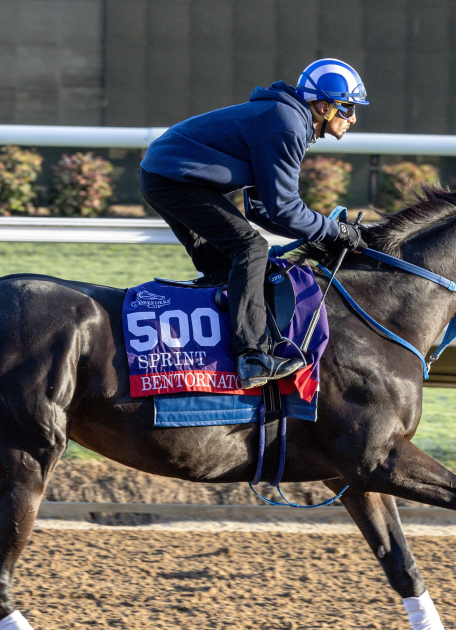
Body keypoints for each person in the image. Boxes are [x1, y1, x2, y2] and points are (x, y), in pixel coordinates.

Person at [139, 58, 370, 390]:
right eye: (347, 109)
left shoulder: (287, 118)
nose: (353, 118)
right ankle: (252, 357)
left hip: (166, 175)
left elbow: (263, 211)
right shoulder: (287, 125)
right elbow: (285, 208)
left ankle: (216, 354)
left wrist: (319, 235)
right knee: (250, 248)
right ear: (323, 107)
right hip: (173, 180)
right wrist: (337, 232)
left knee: (225, 268)